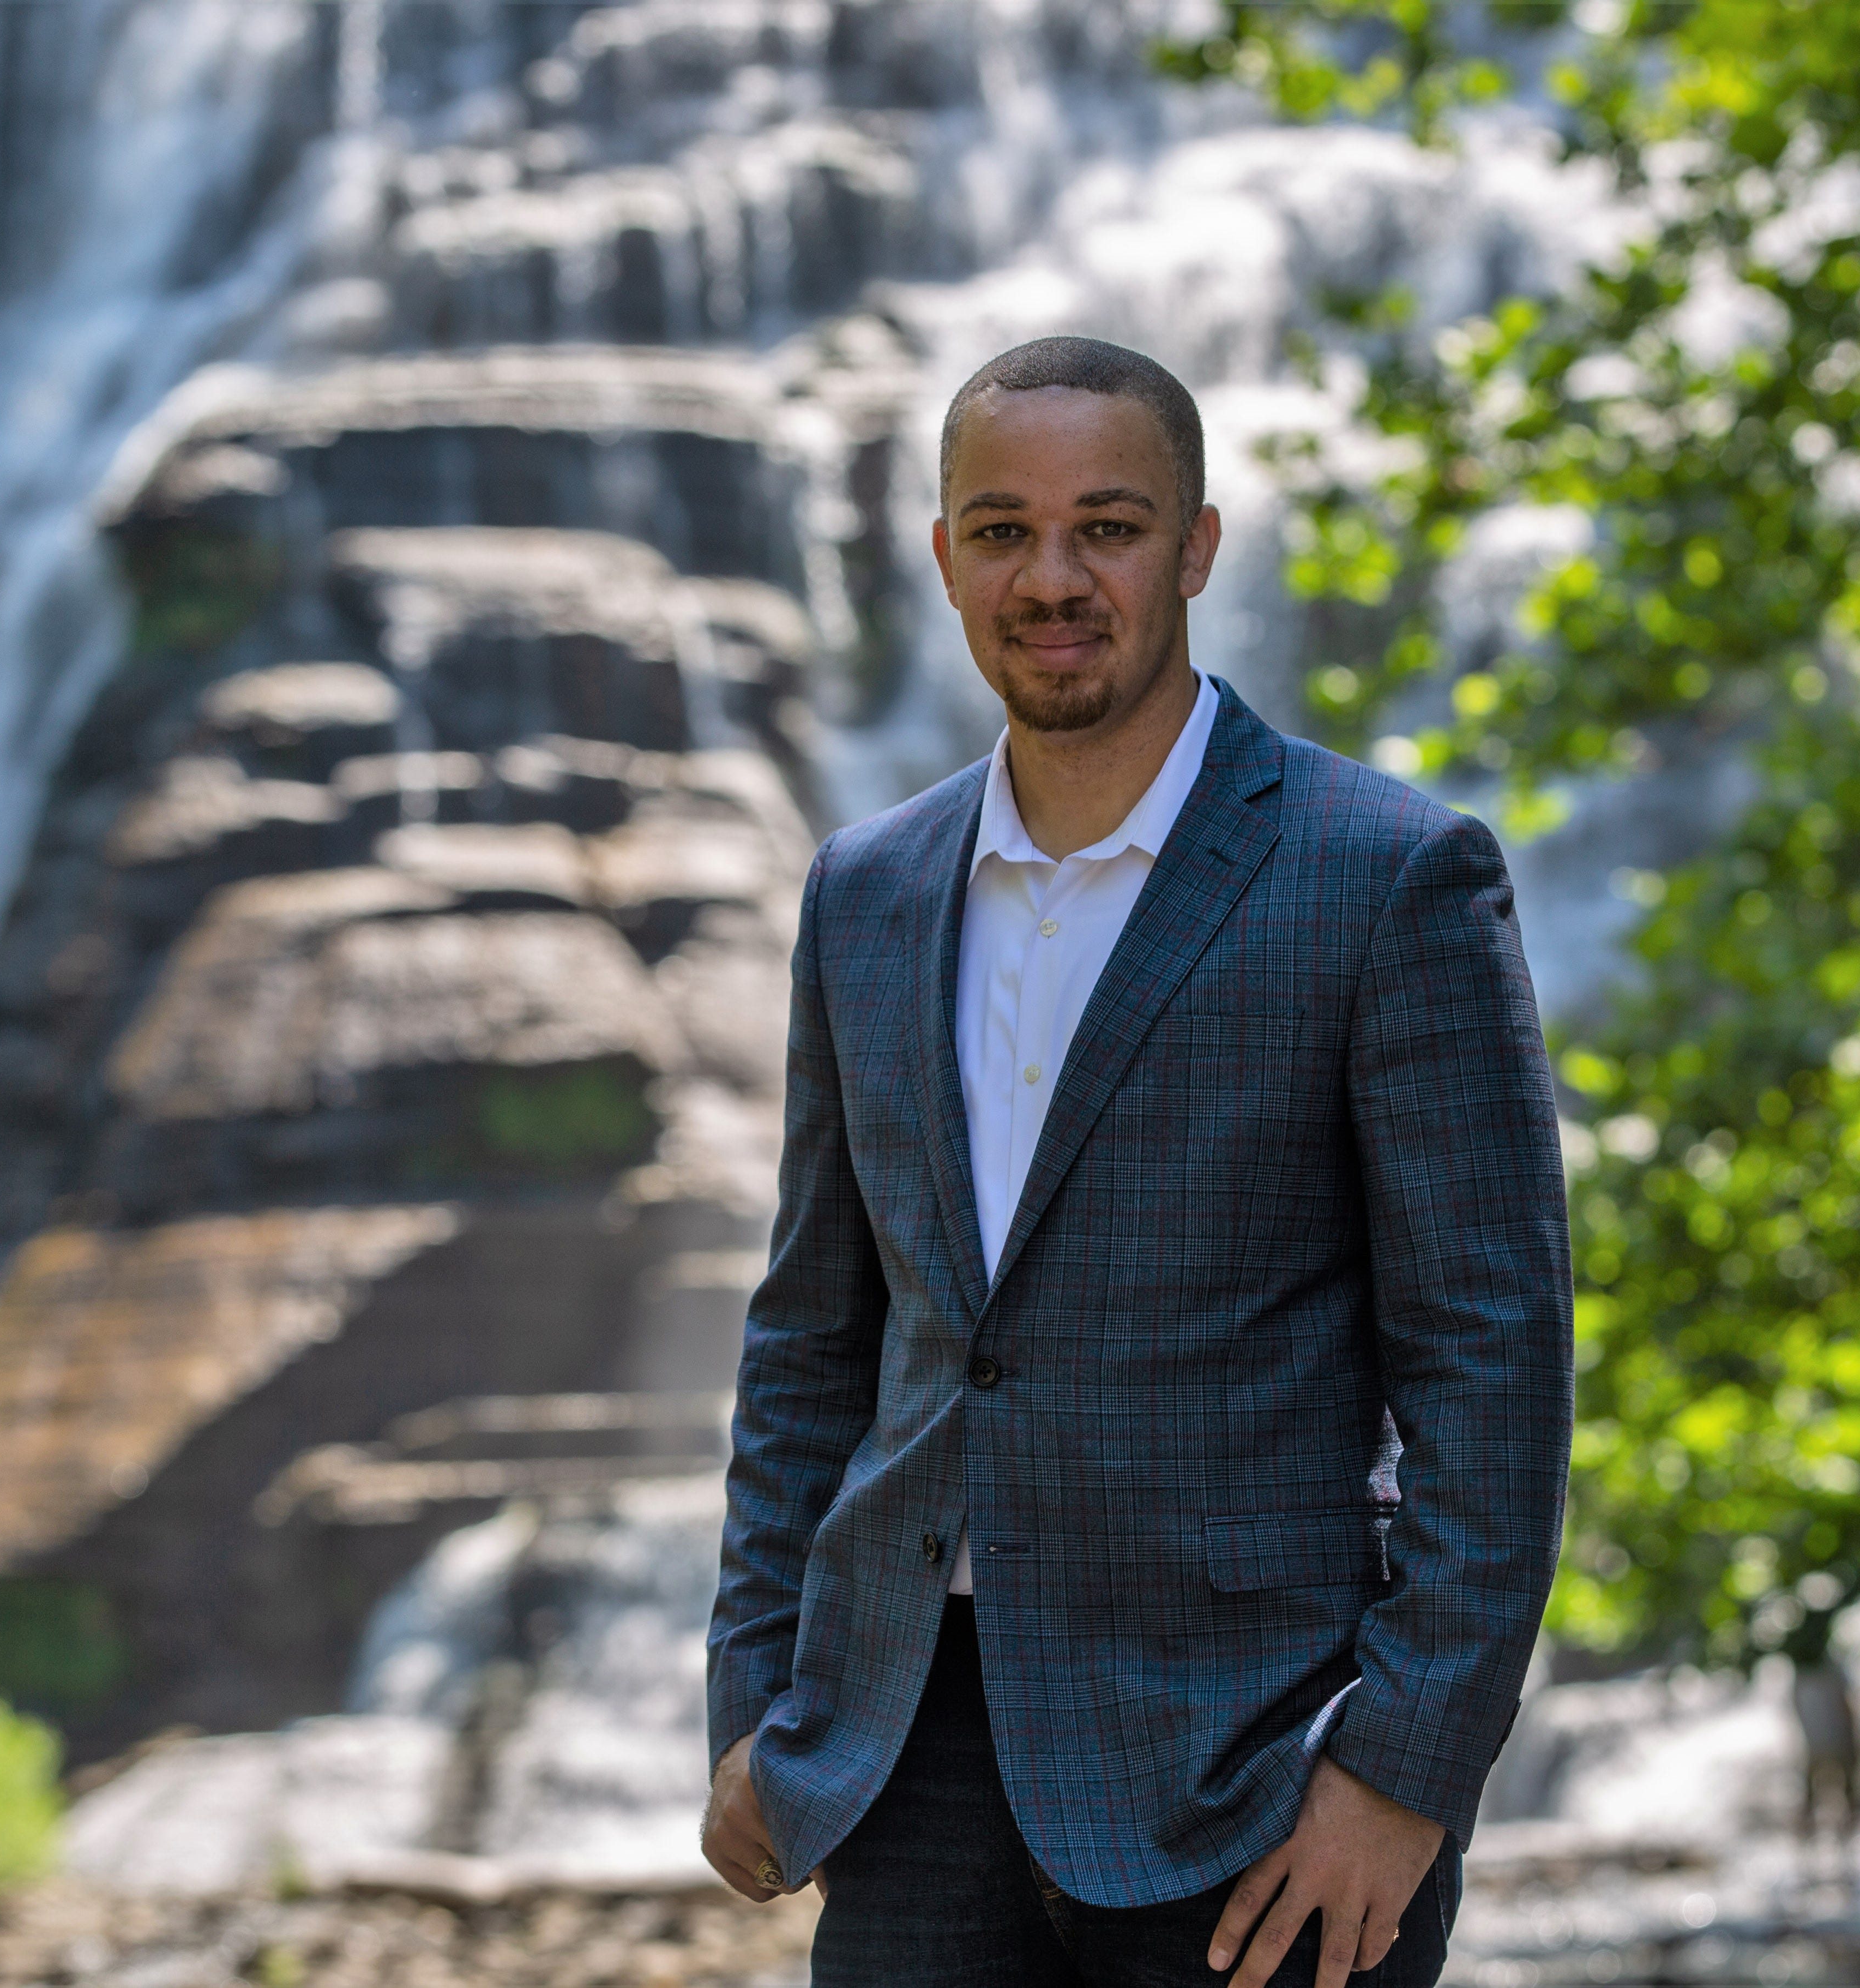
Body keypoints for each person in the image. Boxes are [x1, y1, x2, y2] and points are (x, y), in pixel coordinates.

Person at [702, 335, 1573, 1987]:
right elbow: (813, 1334)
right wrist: (752, 1705)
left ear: (1194, 548)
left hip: (1259, 1774)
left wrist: (1403, 1776)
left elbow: (1492, 1364)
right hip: (903, 1764)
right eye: (1001, 529)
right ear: (944, 555)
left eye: (1107, 526)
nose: (1053, 576)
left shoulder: (1387, 880)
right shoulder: (865, 893)